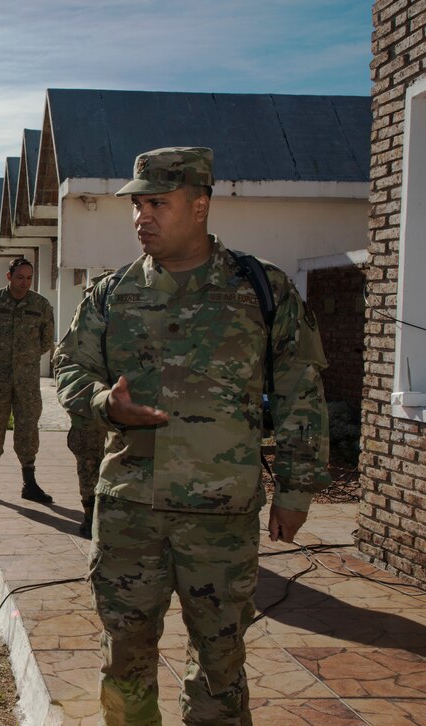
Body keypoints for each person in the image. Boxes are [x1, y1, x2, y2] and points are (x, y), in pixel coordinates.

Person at [53, 146, 331, 724]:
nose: (141, 216)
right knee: (124, 657)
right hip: (131, 509)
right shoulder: (110, 293)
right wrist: (108, 406)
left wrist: (297, 491)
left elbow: (301, 390)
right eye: (136, 204)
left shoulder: (261, 288)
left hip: (220, 514)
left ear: (200, 205)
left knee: (221, 660)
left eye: (158, 202)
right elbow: (70, 369)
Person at [0, 256, 55, 504]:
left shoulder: (41, 305)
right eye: (20, 277)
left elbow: (46, 340)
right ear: (9, 277)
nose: (25, 282)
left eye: (29, 278)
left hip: (27, 379)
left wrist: (25, 358)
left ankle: (29, 483)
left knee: (28, 427)